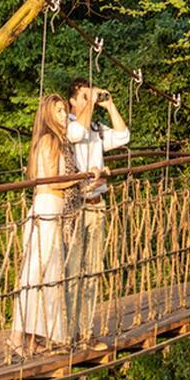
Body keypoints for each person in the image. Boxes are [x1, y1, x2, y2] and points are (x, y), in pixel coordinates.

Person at [10, 94, 106, 357]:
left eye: (65, 110)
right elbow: (52, 181)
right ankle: (19, 339)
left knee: (47, 277)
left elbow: (64, 182)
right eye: (60, 112)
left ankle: (32, 338)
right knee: (37, 276)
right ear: (49, 116)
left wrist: (89, 180)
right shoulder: (50, 141)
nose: (65, 116)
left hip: (53, 210)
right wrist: (81, 177)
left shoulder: (57, 141)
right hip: (47, 211)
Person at [63, 78, 131, 350]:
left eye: (88, 97)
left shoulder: (96, 129)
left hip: (97, 204)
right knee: (72, 272)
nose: (87, 101)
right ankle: (67, 336)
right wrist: (91, 103)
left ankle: (86, 333)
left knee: (91, 271)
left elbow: (124, 137)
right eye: (82, 97)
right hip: (76, 206)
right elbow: (76, 136)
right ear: (72, 101)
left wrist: (110, 104)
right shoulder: (66, 125)